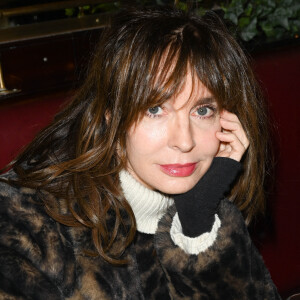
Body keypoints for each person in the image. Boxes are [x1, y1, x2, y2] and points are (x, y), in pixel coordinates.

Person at [0, 7, 280, 300]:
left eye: (202, 110)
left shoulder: (211, 212)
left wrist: (197, 221)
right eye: (155, 109)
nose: (184, 142)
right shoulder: (23, 226)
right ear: (111, 118)